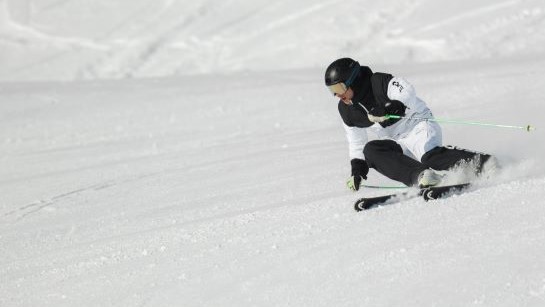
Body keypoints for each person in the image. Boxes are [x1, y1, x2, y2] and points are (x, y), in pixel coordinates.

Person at [324, 57, 498, 191]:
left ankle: (485, 163)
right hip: (396, 141)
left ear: (352, 81)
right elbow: (356, 142)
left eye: (339, 88)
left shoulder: (378, 82)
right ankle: (423, 176)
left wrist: (393, 106)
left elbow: (406, 91)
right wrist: (357, 169)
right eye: (333, 91)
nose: (337, 95)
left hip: (417, 126)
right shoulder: (347, 110)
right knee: (371, 151)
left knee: (430, 156)